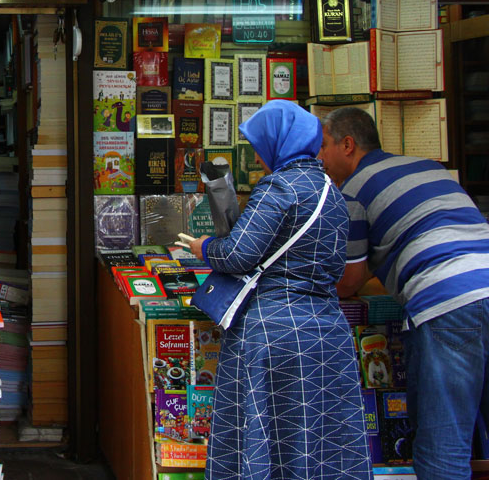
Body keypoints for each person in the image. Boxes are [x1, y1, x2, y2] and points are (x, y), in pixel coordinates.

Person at [188, 100, 370, 480]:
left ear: (277, 141)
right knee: (317, 443)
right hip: (326, 333)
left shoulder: (279, 186)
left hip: (273, 334)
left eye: (259, 144)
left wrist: (204, 247)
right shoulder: (333, 194)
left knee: (262, 440)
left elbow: (238, 255)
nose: (256, 155)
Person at [318, 106, 489, 480]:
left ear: (348, 145)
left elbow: (349, 280)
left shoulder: (352, 192)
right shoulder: (430, 168)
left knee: (443, 446)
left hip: (448, 302)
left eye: (324, 146)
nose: (320, 158)